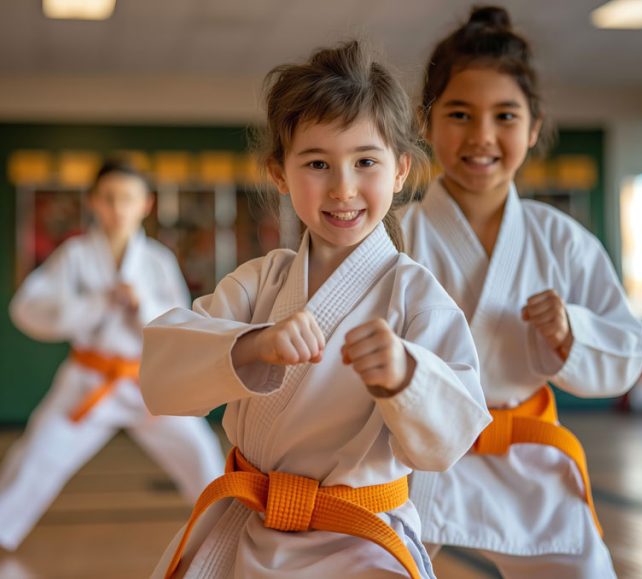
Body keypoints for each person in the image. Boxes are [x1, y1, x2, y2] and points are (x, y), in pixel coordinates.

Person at [139, 40, 491, 579]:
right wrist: (253, 345)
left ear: (400, 170)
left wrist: (406, 375)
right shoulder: (259, 283)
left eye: (365, 161)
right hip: (248, 525)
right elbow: (163, 377)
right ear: (280, 173)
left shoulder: (416, 295)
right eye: (318, 163)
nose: (343, 188)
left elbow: (450, 440)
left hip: (361, 540)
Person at [401, 6, 642, 578]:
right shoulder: (398, 235)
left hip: (525, 454)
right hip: (419, 454)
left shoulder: (560, 240)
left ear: (534, 127)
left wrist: (570, 331)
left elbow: (628, 349)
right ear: (426, 122)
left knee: (583, 569)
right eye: (459, 114)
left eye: (505, 116)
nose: (482, 136)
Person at [0, 159, 225, 552]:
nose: (118, 207)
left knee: (198, 450)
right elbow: (28, 307)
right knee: (38, 452)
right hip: (90, 378)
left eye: (127, 197)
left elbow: (180, 321)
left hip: (147, 381)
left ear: (146, 204)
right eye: (108, 197)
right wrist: (97, 303)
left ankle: (228, 526)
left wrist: (141, 305)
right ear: (93, 202)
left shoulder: (156, 260)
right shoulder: (75, 255)